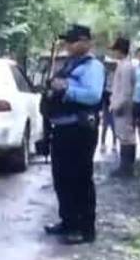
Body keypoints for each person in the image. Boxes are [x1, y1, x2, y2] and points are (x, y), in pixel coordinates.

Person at [45, 24, 105, 244]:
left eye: (72, 41)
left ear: (85, 42)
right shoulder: (69, 65)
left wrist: (66, 89)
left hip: (80, 130)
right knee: (62, 178)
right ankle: (68, 221)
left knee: (79, 178)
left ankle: (84, 228)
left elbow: (92, 96)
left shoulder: (93, 67)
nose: (68, 45)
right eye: (67, 42)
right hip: (62, 129)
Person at [108, 37, 137, 178]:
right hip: (122, 104)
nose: (114, 53)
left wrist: (119, 105)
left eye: (115, 50)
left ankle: (126, 168)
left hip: (123, 106)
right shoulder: (124, 65)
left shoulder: (126, 67)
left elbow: (126, 90)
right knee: (125, 136)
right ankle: (126, 167)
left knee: (126, 136)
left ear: (120, 50)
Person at [99, 55, 119, 154]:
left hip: (114, 97)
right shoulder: (104, 74)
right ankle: (102, 143)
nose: (110, 67)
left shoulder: (118, 75)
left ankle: (114, 144)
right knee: (105, 123)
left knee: (114, 123)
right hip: (106, 97)